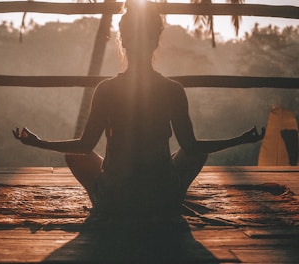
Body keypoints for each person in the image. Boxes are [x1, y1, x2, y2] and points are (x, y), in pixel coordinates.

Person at [13, 1, 264, 217]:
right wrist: (240, 139)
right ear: (156, 41)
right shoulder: (172, 89)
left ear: (122, 40)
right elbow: (192, 147)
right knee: (196, 154)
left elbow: (84, 146)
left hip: (116, 201)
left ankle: (102, 202)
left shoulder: (107, 89)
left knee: (75, 156)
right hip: (162, 199)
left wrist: (39, 142)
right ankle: (173, 196)